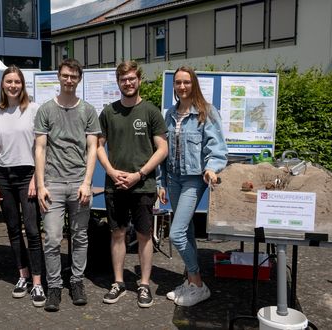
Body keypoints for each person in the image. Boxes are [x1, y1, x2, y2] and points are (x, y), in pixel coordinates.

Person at [97, 61, 168, 308]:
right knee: (117, 234)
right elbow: (98, 146)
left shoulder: (150, 111)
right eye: (123, 79)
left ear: (139, 80)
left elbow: (163, 148)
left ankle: (144, 284)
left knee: (144, 235)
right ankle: (118, 282)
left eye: (131, 79)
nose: (128, 83)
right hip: (114, 185)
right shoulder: (108, 112)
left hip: (143, 186)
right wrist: (110, 170)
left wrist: (140, 174)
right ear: (118, 83)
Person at [34, 58, 101, 312]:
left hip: (79, 185)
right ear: (59, 78)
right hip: (52, 183)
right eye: (65, 76)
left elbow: (92, 148)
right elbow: (40, 149)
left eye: (73, 76)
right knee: (51, 238)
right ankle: (53, 287)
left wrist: (87, 182)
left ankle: (76, 282)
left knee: (80, 236)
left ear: (79, 79)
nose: (69, 80)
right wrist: (40, 185)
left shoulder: (88, 110)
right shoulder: (46, 110)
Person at [159, 66, 228, 307]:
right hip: (174, 179)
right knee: (185, 230)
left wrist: (212, 167)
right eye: (178, 82)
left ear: (193, 84)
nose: (182, 86)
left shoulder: (205, 112)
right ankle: (190, 281)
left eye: (186, 82)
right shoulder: (170, 113)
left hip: (193, 179)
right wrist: (161, 181)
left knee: (175, 233)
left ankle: (198, 283)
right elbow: (163, 150)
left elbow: (217, 146)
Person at [0, 65, 45, 307]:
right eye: (8, 81)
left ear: (23, 85)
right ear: (3, 85)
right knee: (12, 228)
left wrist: (36, 179)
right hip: (3, 176)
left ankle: (38, 282)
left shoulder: (33, 110)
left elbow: (42, 148)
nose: (13, 85)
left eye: (17, 81)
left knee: (32, 230)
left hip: (27, 174)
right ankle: (22, 276)